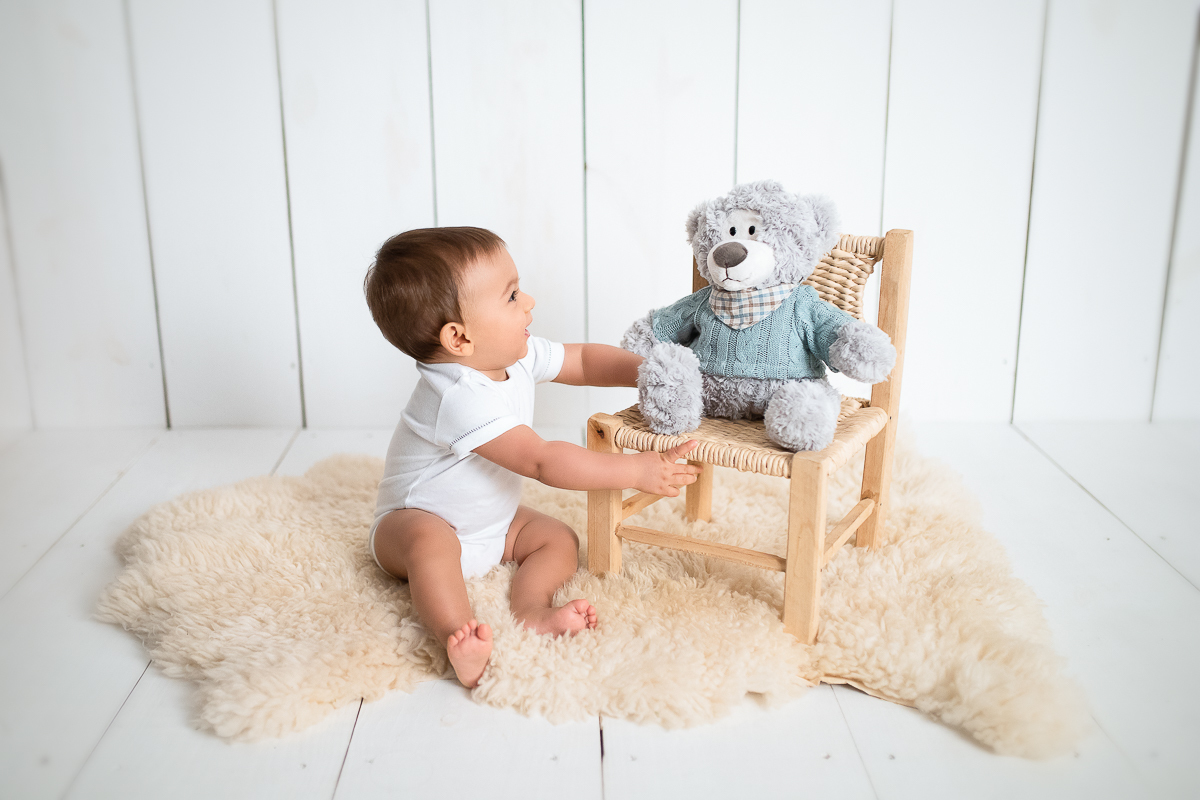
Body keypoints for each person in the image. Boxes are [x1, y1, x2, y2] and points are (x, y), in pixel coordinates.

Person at [363, 227, 701, 688]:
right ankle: (457, 636)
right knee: (431, 545)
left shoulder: (511, 355)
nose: (530, 301)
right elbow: (541, 461)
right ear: (459, 338)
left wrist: (647, 372)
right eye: (511, 296)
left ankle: (532, 610)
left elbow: (582, 361)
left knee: (555, 537)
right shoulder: (457, 395)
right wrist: (636, 469)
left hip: (493, 524)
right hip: (411, 523)